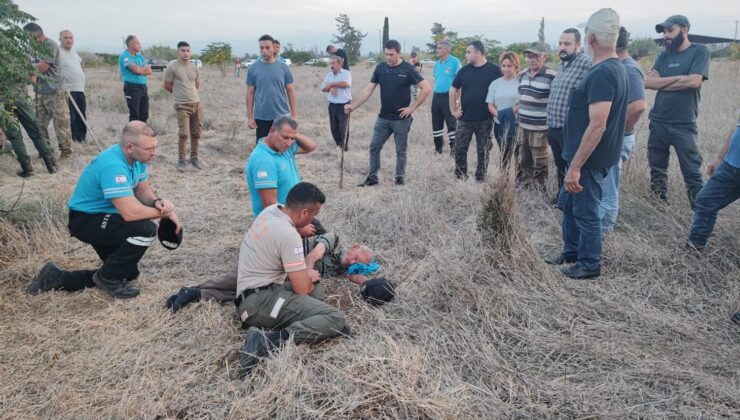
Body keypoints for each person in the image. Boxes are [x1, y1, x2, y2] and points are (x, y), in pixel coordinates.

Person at [27, 121, 182, 298]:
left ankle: (57, 277)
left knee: (128, 274)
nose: (154, 153)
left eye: (155, 147)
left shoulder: (138, 160)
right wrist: (166, 214)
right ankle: (108, 278)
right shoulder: (112, 165)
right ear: (130, 147)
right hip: (86, 220)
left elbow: (143, 190)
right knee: (146, 229)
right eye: (150, 149)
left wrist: (157, 203)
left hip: (105, 217)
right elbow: (130, 213)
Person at [545, 8, 627, 280]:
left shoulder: (603, 72)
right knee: (568, 204)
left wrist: (575, 167)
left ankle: (589, 263)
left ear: (590, 38)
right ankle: (571, 252)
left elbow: (598, 124)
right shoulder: (613, 67)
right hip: (583, 156)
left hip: (589, 160)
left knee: (586, 211)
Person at [236, 182, 348, 376]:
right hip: (259, 304)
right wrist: (308, 268)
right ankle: (266, 341)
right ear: (304, 213)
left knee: (316, 284)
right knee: (335, 318)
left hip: (255, 293)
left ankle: (314, 323)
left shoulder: (272, 210)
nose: (315, 219)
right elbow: (302, 289)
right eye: (314, 214)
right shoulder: (289, 235)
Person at [166, 232, 375, 311]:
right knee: (237, 278)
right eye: (355, 255)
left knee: (243, 291)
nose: (352, 260)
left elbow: (355, 277)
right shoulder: (333, 241)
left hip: (284, 274)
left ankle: (194, 294)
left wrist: (365, 279)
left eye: (358, 262)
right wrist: (306, 271)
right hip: (278, 258)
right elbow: (313, 255)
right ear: (354, 245)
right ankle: (198, 288)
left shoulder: (340, 269)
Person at [645, 15, 710, 207]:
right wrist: (680, 79)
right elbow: (648, 82)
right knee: (657, 170)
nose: (666, 35)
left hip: (684, 124)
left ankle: (700, 214)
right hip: (658, 121)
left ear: (684, 29)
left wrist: (661, 83)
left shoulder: (699, 51)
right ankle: (659, 208)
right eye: (664, 32)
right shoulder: (663, 55)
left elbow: (694, 81)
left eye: (670, 30)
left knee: (692, 173)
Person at [348, 39, 431, 186]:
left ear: (399, 53)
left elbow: (426, 88)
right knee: (374, 147)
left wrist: (412, 108)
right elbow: (368, 90)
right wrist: (353, 106)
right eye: (386, 54)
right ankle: (372, 178)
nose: (388, 58)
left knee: (401, 150)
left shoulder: (408, 69)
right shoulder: (380, 68)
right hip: (383, 118)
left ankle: (399, 179)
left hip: (401, 119)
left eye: (391, 55)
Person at [599, 27, 647, 234]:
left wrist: (616, 133)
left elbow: (638, 106)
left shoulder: (628, 68)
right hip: (613, 138)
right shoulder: (619, 66)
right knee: (603, 185)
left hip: (617, 140)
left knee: (609, 188)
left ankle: (603, 230)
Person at [548, 29, 592, 197]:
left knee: (571, 165)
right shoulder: (561, 65)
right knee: (560, 165)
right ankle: (562, 198)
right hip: (553, 126)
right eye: (560, 43)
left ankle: (574, 199)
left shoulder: (586, 63)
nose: (562, 47)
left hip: (569, 129)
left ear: (578, 45)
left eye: (567, 44)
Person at [450, 40, 502, 181]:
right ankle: (461, 176)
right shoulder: (464, 70)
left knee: (483, 150)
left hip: (485, 119)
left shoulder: (495, 70)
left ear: (478, 53)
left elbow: (503, 88)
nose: (466, 55)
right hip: (465, 118)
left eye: (469, 52)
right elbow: (453, 89)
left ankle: (481, 177)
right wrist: (453, 109)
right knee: (459, 148)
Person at [687, 116, 740, 250]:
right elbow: (737, 126)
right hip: (730, 166)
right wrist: (719, 158)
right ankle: (694, 251)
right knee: (705, 201)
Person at [23, 23, 73, 160]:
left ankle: (66, 152)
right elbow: (32, 70)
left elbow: (43, 66)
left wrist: (23, 68)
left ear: (33, 34)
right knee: (39, 125)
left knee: (61, 124)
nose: (26, 39)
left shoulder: (49, 44)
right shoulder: (32, 47)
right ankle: (45, 152)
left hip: (54, 91)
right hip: (40, 92)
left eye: (27, 36)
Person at [515, 42, 557, 189]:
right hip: (523, 124)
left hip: (540, 126)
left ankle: (540, 188)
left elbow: (555, 101)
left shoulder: (552, 76)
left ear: (544, 56)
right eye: (528, 56)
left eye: (535, 56)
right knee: (524, 157)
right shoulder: (523, 75)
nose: (531, 59)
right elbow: (521, 97)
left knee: (540, 159)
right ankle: (525, 184)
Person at [246, 34, 297, 142]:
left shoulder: (283, 68)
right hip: (261, 116)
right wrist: (250, 117)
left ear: (274, 48)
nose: (264, 51)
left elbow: (291, 90)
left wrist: (294, 115)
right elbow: (250, 93)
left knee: (283, 147)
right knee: (263, 149)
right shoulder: (253, 68)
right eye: (261, 48)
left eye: (267, 47)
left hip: (281, 115)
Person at [1, 86, 57, 177]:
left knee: (15, 138)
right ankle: (51, 166)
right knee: (37, 133)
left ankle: (27, 170)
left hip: (5, 99)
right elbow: (32, 77)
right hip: (22, 98)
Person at [164, 41, 203, 172]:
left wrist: (192, 96)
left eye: (187, 50)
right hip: (181, 105)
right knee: (184, 134)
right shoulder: (172, 67)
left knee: (196, 132)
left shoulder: (194, 68)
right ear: (178, 52)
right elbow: (167, 85)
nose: (185, 53)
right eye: (183, 50)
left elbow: (196, 85)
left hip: (196, 103)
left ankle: (194, 158)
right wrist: (179, 95)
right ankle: (181, 160)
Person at [486, 51, 520, 167]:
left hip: (517, 125)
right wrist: (501, 116)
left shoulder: (521, 83)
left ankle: (518, 183)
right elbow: (490, 105)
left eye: (509, 66)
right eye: (503, 66)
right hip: (500, 125)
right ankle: (504, 180)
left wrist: (512, 111)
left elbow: (524, 102)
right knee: (504, 156)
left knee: (519, 156)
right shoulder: (495, 84)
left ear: (516, 66)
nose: (506, 69)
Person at [431, 40, 461, 154]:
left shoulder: (455, 62)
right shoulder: (437, 63)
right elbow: (437, 79)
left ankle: (454, 149)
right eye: (437, 48)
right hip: (437, 96)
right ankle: (438, 149)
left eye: (439, 48)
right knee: (436, 123)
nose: (437, 50)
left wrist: (457, 99)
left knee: (451, 124)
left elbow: (460, 83)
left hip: (449, 97)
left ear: (447, 50)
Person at [58, 30, 87, 143]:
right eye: (65, 38)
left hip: (80, 88)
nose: (68, 40)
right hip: (68, 89)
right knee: (72, 115)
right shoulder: (58, 52)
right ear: (60, 39)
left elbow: (81, 63)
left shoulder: (74, 52)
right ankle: (73, 139)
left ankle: (82, 138)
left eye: (71, 37)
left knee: (81, 113)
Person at [119, 35, 152, 122]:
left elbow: (149, 71)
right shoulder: (124, 56)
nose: (140, 45)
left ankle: (141, 135)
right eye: (138, 43)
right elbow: (136, 70)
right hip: (132, 88)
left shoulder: (140, 56)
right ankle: (132, 135)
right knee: (135, 115)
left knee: (144, 115)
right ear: (131, 44)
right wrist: (141, 70)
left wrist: (141, 70)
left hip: (143, 87)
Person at [320, 55, 352, 148]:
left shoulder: (346, 73)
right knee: (334, 127)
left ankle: (344, 146)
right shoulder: (329, 75)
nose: (331, 65)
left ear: (339, 64)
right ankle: (338, 144)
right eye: (331, 63)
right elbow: (323, 88)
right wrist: (330, 87)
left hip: (344, 104)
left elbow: (346, 83)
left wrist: (332, 84)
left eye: (333, 63)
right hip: (332, 105)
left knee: (343, 126)